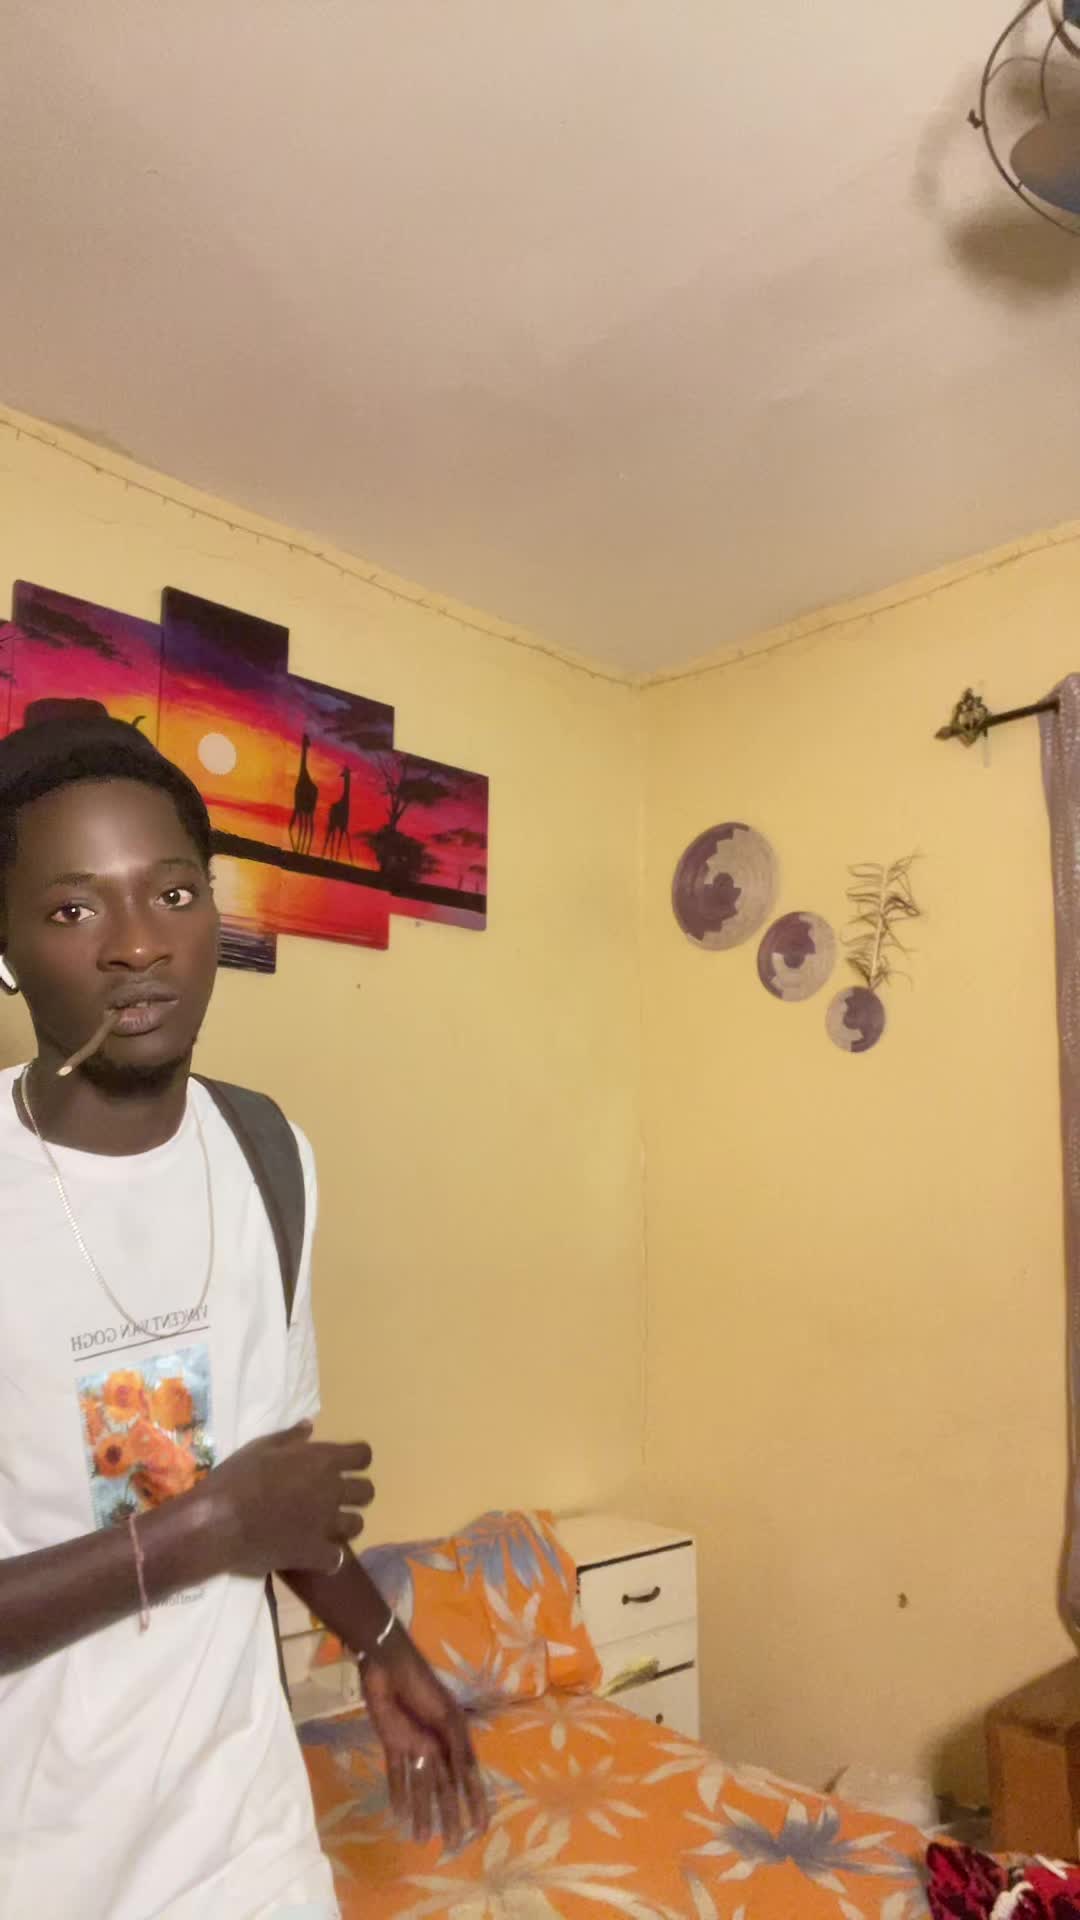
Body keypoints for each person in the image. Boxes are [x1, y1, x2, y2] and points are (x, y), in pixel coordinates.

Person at [0, 713, 487, 1920]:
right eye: (72, 908)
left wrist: (384, 1646)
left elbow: (265, 1489)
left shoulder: (268, 1154)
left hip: (245, 1848)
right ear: (5, 947)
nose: (135, 944)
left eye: (173, 892)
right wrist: (204, 1531)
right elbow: (229, 1513)